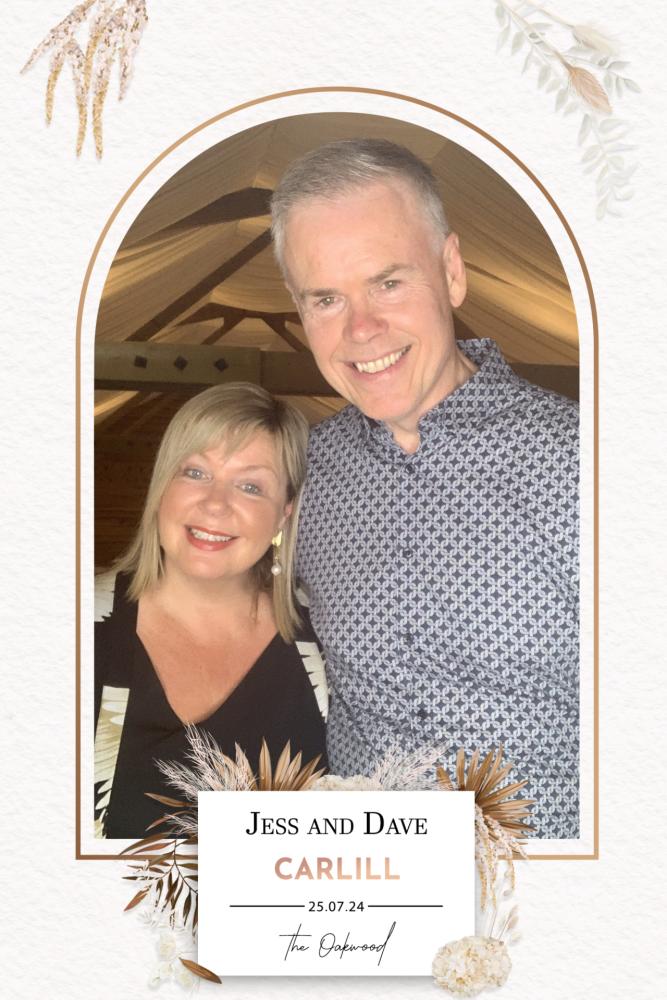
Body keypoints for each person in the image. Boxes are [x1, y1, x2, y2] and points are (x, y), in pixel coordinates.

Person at [270, 138, 579, 839]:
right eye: (326, 298)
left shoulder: (588, 461)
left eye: (388, 283)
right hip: (364, 875)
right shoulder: (303, 470)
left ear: (452, 272)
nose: (361, 329)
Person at [94, 383, 327, 839]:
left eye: (250, 486)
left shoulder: (326, 638)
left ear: (283, 513)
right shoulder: (62, 626)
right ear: (162, 487)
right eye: (196, 472)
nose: (215, 503)